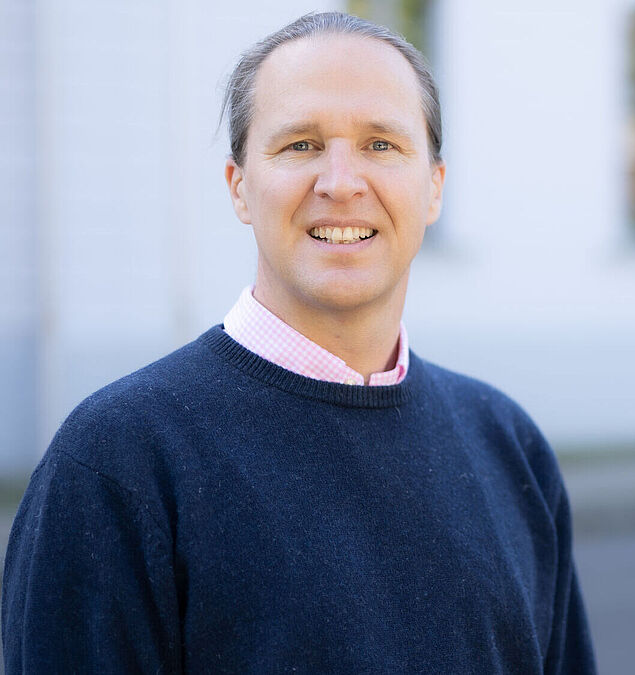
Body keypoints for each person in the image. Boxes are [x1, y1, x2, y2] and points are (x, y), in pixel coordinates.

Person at [2, 12, 596, 674]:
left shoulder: (508, 445)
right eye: (301, 145)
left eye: (381, 145)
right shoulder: (120, 460)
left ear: (433, 188)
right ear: (239, 188)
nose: (341, 183)